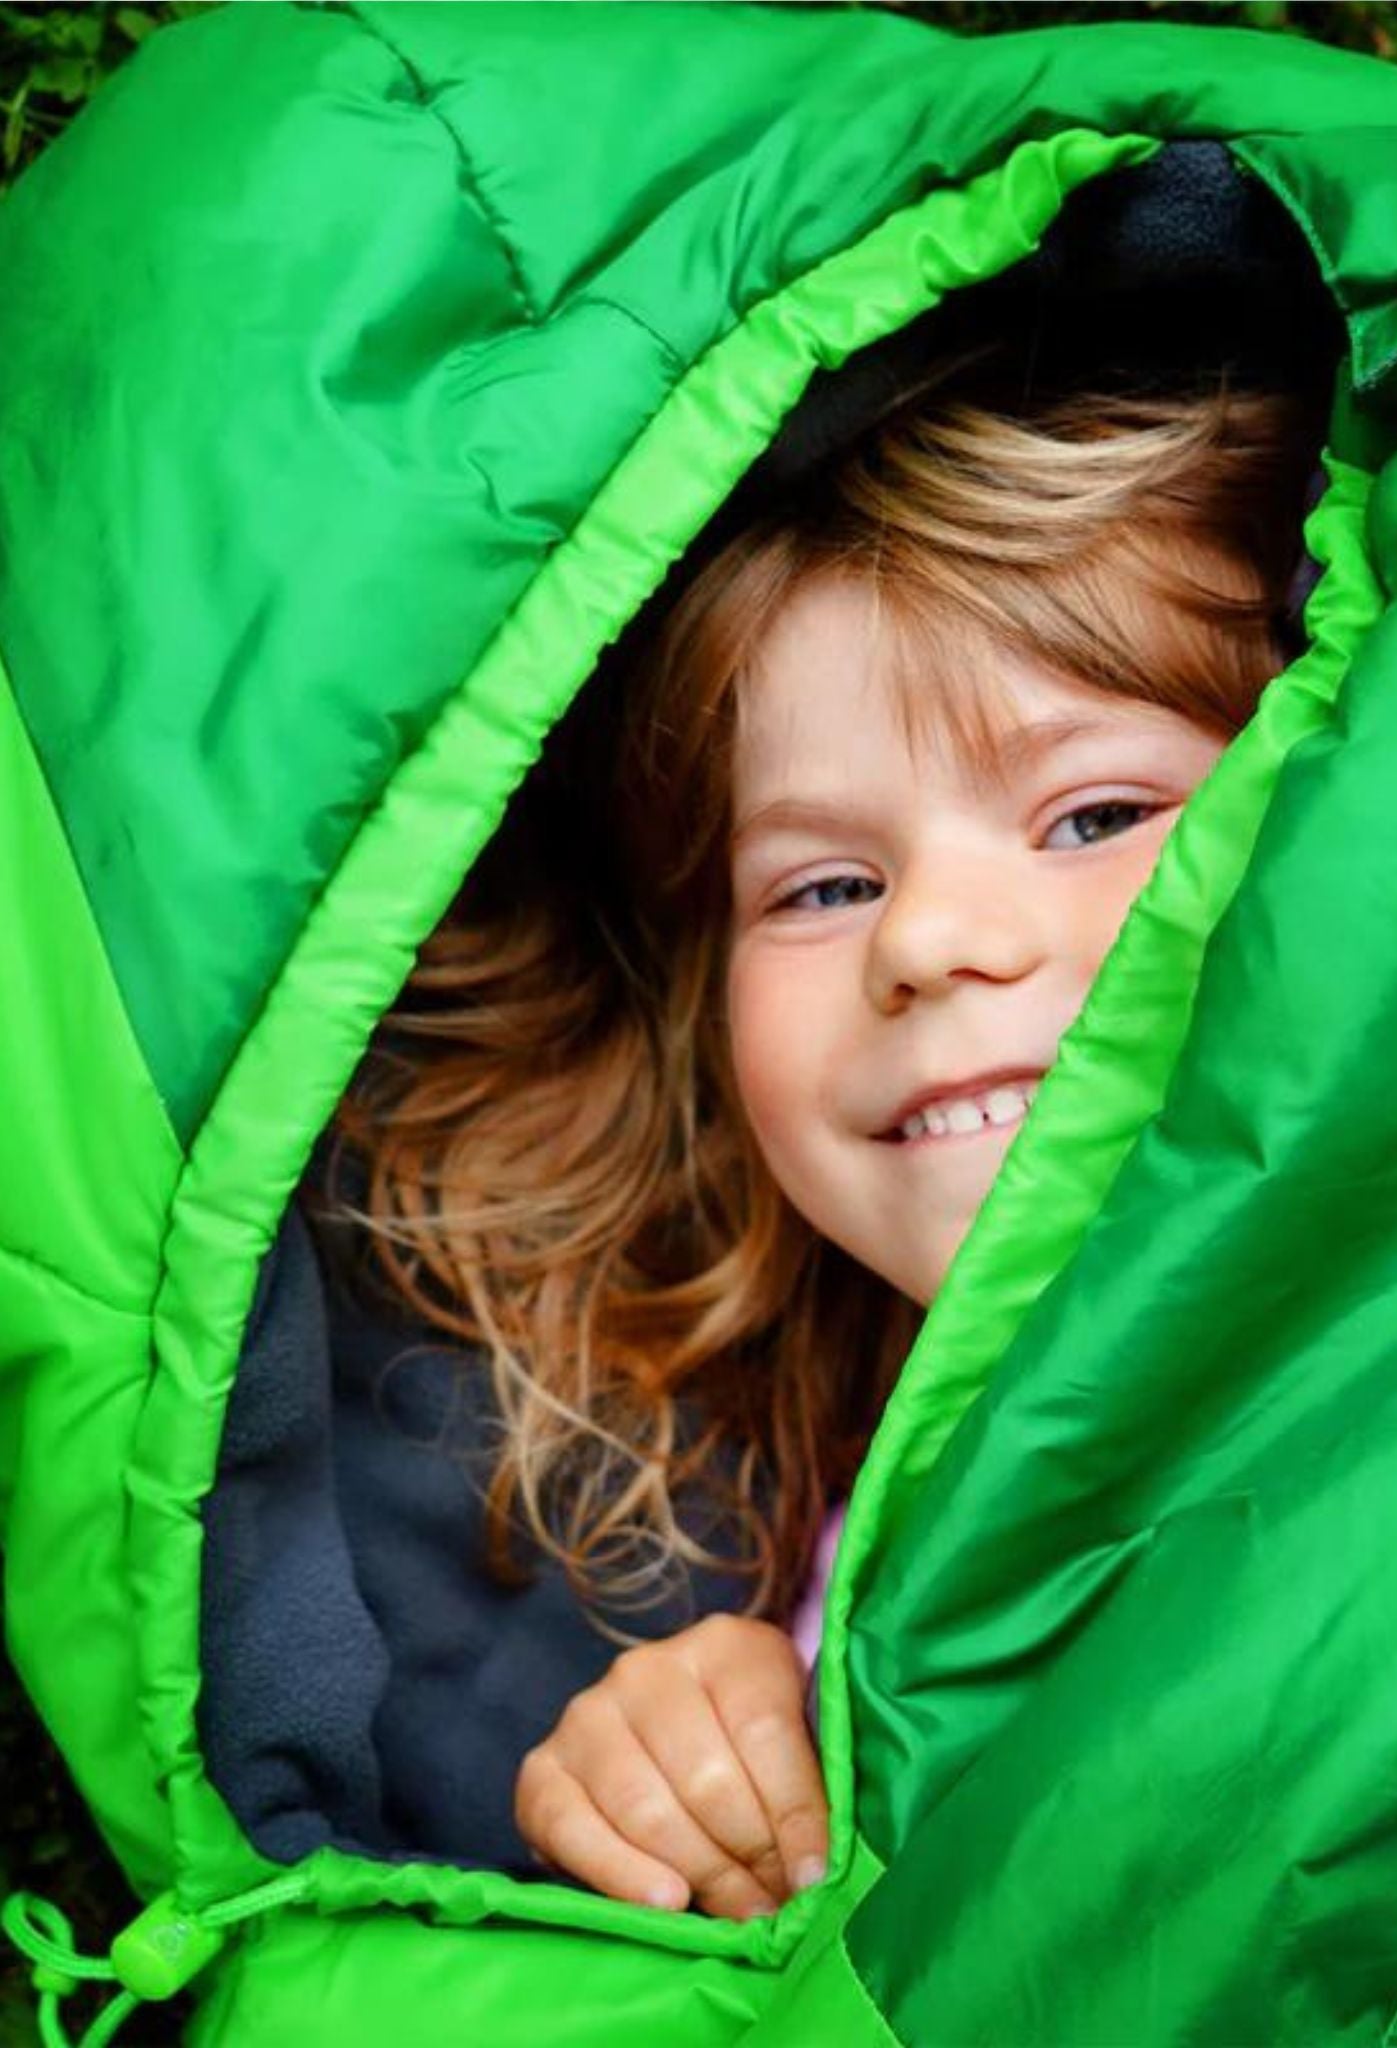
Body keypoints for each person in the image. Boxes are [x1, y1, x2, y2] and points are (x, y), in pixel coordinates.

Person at [306, 342, 1324, 1922]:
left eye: (1096, 816)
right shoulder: (866, 1544)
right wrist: (706, 1744)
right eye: (823, 886)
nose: (923, 938)